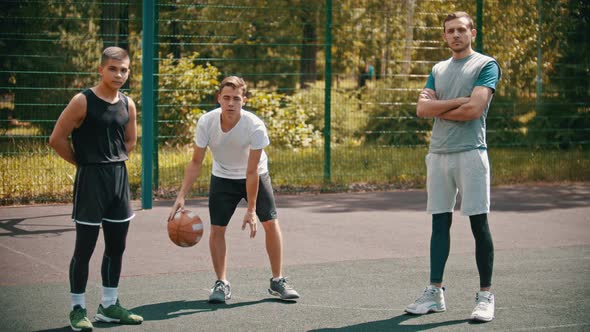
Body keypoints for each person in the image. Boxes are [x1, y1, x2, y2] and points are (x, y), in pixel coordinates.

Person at [168, 76, 300, 303]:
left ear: (244, 101)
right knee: (217, 229)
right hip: (222, 177)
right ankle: (221, 283)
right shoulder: (206, 122)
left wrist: (250, 209)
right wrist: (181, 195)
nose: (231, 103)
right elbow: (196, 162)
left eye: (236, 99)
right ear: (218, 98)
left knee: (270, 223)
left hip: (255, 174)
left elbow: (251, 172)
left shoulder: (255, 126)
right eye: (226, 98)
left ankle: (278, 280)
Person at [404, 11, 501, 322]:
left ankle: (485, 296)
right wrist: (457, 100)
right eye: (450, 31)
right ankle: (435, 293)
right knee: (438, 224)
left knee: (478, 225)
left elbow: (474, 110)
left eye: (461, 29)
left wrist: (440, 107)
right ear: (444, 36)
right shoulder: (438, 68)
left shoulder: (486, 65)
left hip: (471, 153)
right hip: (438, 154)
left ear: (471, 32)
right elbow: (422, 109)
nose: (456, 35)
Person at [49, 46, 143, 331]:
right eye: (113, 68)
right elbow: (57, 138)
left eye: (124, 69)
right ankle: (78, 309)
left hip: (118, 180)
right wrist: (83, 163)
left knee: (117, 246)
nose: (118, 74)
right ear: (101, 70)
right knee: (85, 249)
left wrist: (111, 162)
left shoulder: (128, 103)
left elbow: (130, 142)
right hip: (91, 180)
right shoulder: (82, 101)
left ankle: (109, 305)